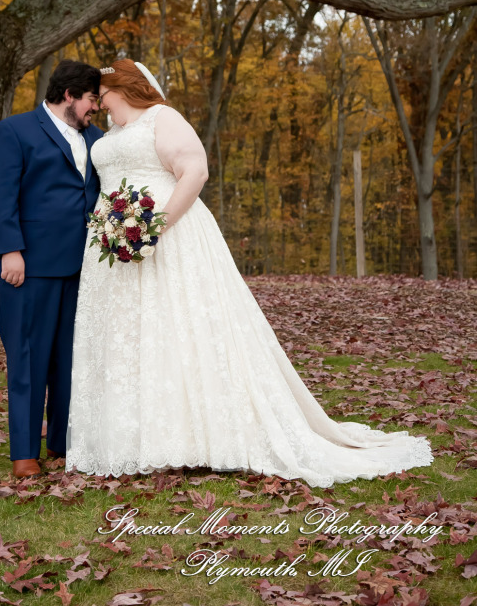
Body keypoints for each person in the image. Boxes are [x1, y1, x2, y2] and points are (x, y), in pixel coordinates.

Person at [66, 59, 433, 486]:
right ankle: (133, 440)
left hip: (170, 236)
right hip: (115, 244)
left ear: (124, 88)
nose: (101, 104)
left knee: (180, 328)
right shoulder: (111, 135)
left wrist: (155, 227)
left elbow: (196, 171)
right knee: (131, 336)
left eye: (104, 95)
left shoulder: (163, 119)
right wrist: (118, 228)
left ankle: (200, 437)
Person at [0, 59, 103, 478]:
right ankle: (23, 453)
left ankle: (60, 444)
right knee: (28, 357)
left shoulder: (99, 138)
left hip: (83, 267)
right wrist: (9, 251)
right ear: (69, 95)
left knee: (70, 359)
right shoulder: (15, 131)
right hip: (28, 264)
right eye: (91, 100)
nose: (95, 110)